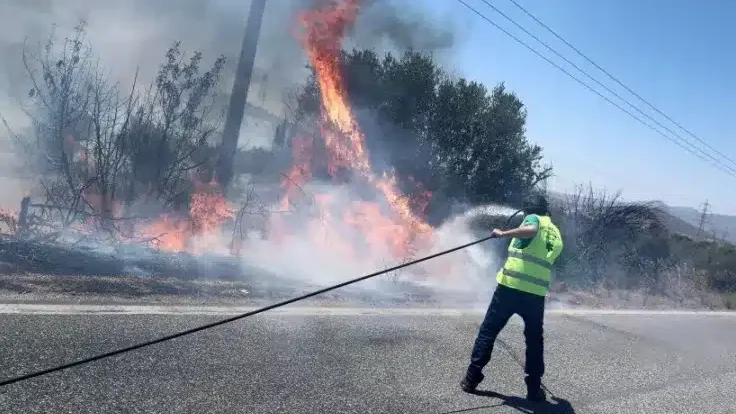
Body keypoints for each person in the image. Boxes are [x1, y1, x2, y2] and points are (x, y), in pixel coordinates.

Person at [460, 194, 564, 402]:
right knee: (534, 340)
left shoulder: (534, 220)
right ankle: (534, 388)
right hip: (535, 295)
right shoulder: (555, 231)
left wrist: (502, 233)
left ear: (529, 209)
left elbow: (531, 230)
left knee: (488, 331)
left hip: (510, 288)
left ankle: (472, 378)